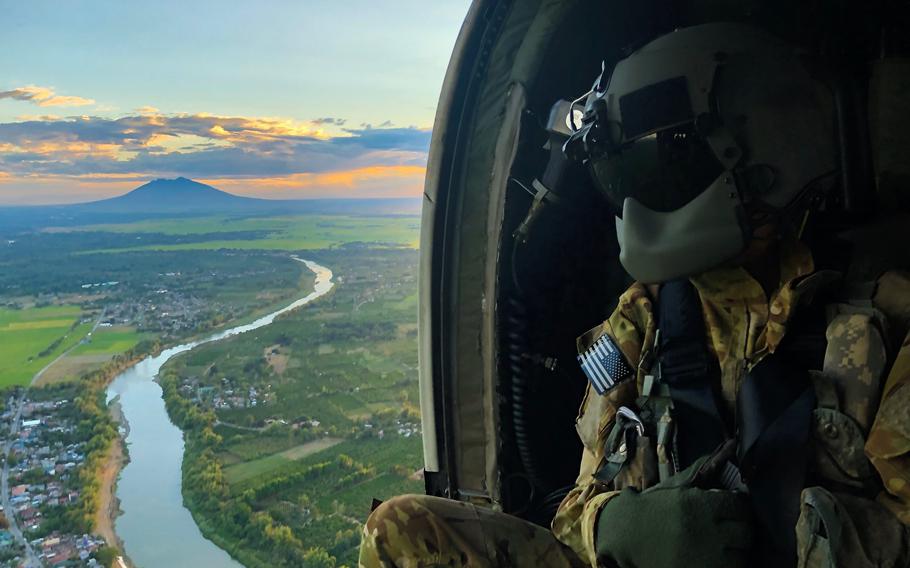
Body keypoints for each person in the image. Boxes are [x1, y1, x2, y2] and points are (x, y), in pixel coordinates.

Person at [359, 22, 910, 568]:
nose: (642, 199)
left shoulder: (885, 323)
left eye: (661, 170)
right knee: (401, 532)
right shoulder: (646, 318)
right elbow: (576, 512)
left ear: (763, 152)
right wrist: (618, 527)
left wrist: (793, 534)